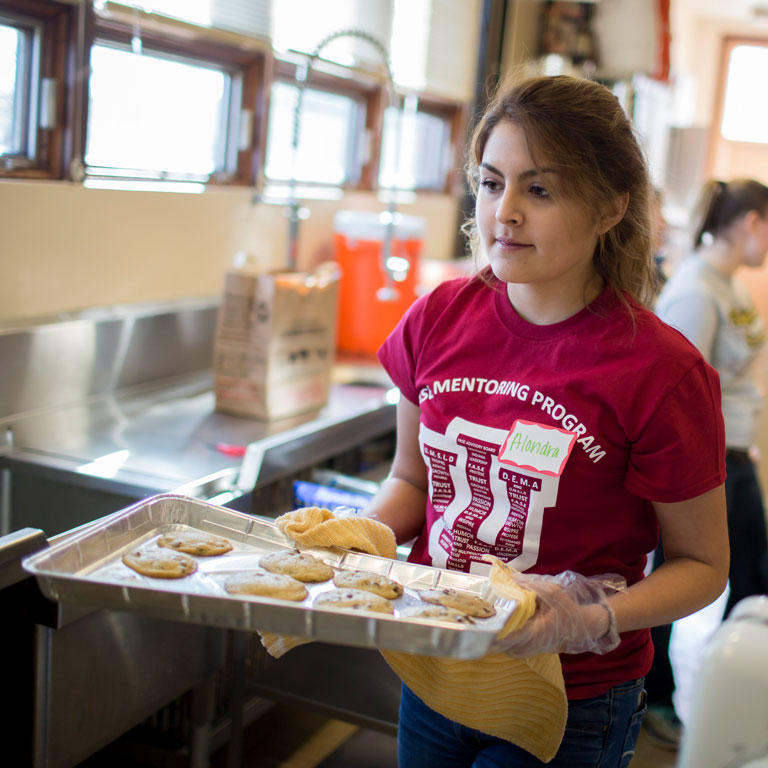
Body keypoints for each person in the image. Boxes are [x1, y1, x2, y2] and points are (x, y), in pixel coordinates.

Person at [363, 74, 730, 768]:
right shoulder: (437, 319)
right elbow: (412, 480)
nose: (505, 213)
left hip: (573, 699)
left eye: (539, 189)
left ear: (610, 208)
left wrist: (593, 620)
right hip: (437, 666)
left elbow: (704, 566)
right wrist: (353, 546)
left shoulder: (659, 371)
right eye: (491, 182)